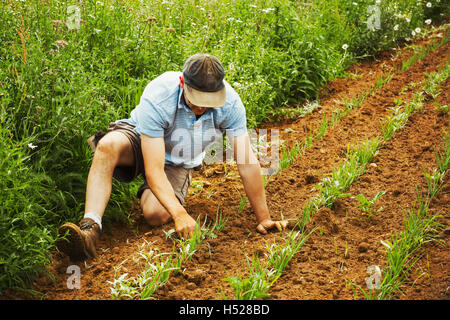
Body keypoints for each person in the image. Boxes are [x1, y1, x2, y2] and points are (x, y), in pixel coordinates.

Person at [56, 53, 287, 261]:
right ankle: (90, 228)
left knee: (156, 214)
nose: (202, 108)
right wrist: (181, 214)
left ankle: (156, 198)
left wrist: (264, 217)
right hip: (142, 138)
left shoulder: (231, 104)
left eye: (209, 102)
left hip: (178, 159)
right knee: (107, 146)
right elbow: (153, 169)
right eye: (197, 99)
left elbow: (247, 162)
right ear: (182, 83)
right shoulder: (160, 94)